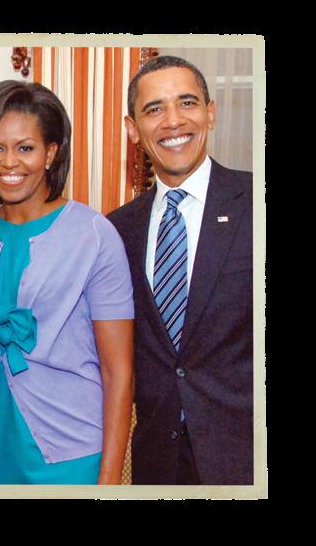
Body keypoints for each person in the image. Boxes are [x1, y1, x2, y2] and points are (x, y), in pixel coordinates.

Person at [0, 80, 135, 484]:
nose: (8, 162)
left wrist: (109, 483)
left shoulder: (93, 234)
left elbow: (118, 371)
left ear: (51, 153)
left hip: (70, 452)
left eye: (25, 148)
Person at [107, 55, 253, 485]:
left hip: (246, 462)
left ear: (211, 113)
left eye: (187, 103)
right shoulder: (116, 231)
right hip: (158, 464)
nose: (173, 121)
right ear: (133, 128)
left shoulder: (254, 203)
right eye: (154, 109)